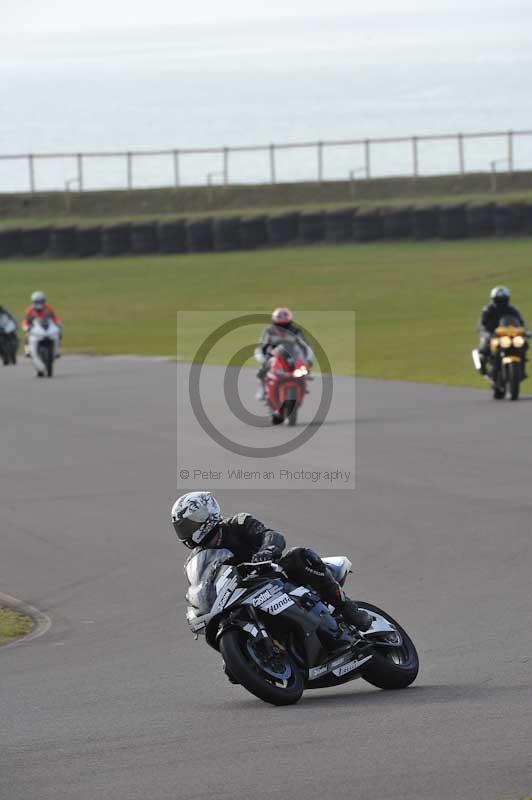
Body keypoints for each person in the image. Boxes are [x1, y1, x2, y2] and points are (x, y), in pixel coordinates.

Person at [172, 491, 372, 640]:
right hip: (239, 593)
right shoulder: (195, 560)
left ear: (208, 514)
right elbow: (202, 585)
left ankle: (348, 610)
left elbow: (271, 535)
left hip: (272, 575)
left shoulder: (238, 523)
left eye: (190, 524)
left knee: (300, 555)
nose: (187, 532)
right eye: (182, 528)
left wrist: (266, 551)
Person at [254, 307, 313, 401]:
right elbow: (261, 346)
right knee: (261, 371)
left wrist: (308, 360)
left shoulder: (296, 331)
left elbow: (306, 346)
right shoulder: (268, 331)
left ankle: (302, 386)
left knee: (304, 370)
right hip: (274, 356)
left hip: (293, 356)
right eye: (279, 325)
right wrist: (262, 359)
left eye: (286, 325)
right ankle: (262, 390)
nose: (282, 328)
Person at [477, 286, 527, 374]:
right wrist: (486, 332)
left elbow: (520, 322)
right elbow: (482, 323)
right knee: (484, 347)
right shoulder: (488, 309)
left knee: (523, 344)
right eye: (499, 300)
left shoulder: (512, 310)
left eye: (503, 300)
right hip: (492, 334)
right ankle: (482, 366)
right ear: (493, 299)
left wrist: (524, 331)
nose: (501, 303)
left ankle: (521, 368)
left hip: (507, 334)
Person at [22, 291, 62, 357]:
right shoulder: (30, 310)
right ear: (33, 301)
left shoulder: (48, 308)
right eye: (37, 302)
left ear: (44, 301)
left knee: (58, 334)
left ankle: (56, 350)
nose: (39, 303)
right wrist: (26, 327)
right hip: (34, 327)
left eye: (41, 301)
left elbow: (54, 317)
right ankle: (27, 350)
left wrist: (58, 323)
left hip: (47, 326)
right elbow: (25, 320)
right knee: (27, 335)